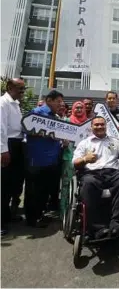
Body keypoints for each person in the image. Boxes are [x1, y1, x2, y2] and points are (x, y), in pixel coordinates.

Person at [72, 116, 119, 239]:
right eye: (96, 125)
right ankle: (97, 228)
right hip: (92, 174)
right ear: (91, 127)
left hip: (113, 173)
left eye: (102, 124)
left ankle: (117, 223)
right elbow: (75, 163)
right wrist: (85, 159)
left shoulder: (115, 141)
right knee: (88, 184)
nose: (99, 127)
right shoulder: (84, 143)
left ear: (106, 126)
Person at [24, 90, 64, 227]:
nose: (61, 104)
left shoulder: (55, 116)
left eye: (61, 102)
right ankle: (31, 219)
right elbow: (26, 129)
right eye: (58, 101)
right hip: (37, 159)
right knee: (33, 190)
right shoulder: (37, 112)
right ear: (49, 100)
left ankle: (40, 215)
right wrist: (47, 133)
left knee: (44, 190)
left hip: (51, 160)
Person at [0, 78, 26, 235]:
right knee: (3, 187)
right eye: (20, 88)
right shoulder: (3, 103)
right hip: (7, 146)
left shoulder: (15, 104)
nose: (22, 91)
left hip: (17, 145)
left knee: (12, 185)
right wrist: (3, 150)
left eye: (24, 88)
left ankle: (7, 216)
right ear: (9, 87)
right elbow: (0, 128)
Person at [60, 101, 87, 219]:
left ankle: (82, 212)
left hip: (84, 158)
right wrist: (62, 142)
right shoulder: (66, 121)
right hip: (69, 156)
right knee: (66, 185)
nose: (79, 110)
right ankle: (64, 213)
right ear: (73, 109)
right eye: (77, 108)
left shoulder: (88, 123)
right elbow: (59, 136)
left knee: (84, 184)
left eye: (81, 108)